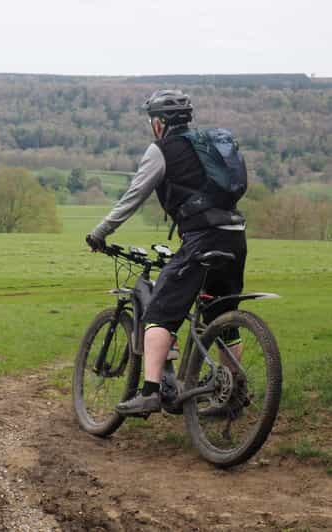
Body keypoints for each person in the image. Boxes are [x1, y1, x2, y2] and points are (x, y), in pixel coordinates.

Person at [86, 89, 247, 415]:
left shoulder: (162, 150)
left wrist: (100, 232)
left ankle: (150, 393)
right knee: (223, 318)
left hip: (202, 238)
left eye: (152, 121)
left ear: (159, 123)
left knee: (159, 313)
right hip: (234, 235)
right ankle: (231, 398)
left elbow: (133, 196)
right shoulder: (209, 146)